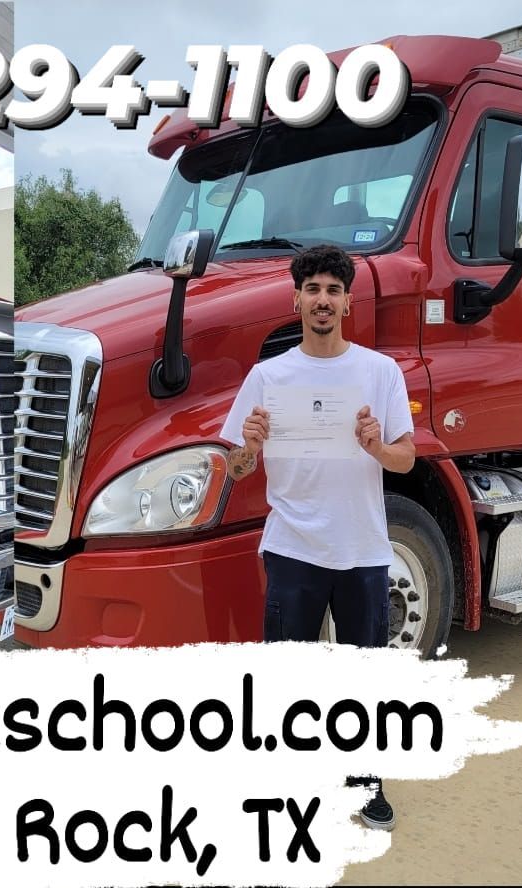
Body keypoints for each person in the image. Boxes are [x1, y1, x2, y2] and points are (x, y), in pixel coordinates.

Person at [220, 244, 415, 831]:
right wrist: (247, 450)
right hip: (293, 548)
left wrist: (378, 447)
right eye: (313, 289)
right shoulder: (268, 377)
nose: (322, 299)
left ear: (347, 302)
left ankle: (364, 783)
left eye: (333, 289)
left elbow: (405, 460)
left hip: (363, 550)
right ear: (295, 300)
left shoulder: (380, 373)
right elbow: (233, 468)